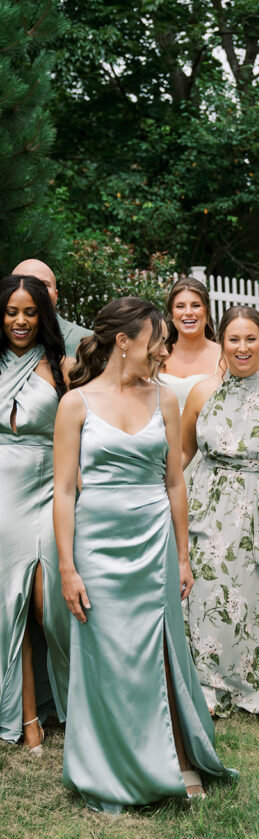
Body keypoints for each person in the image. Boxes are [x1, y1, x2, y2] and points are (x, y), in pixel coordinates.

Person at [53, 297, 235, 811]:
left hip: (154, 536)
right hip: (97, 544)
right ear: (123, 342)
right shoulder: (76, 404)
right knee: (108, 654)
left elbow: (175, 482)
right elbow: (64, 490)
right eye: (156, 340)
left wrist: (182, 555)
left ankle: (178, 756)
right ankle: (110, 765)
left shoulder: (165, 401)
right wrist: (68, 566)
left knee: (162, 649)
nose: (163, 349)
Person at [182, 305, 259, 716]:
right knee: (211, 594)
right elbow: (181, 455)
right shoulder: (201, 393)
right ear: (222, 342)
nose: (242, 347)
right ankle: (210, 680)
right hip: (209, 509)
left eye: (250, 338)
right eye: (233, 339)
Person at [0, 275, 72, 751]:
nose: (20, 321)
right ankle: (27, 720)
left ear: (43, 316)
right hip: (2, 491)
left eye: (29, 312)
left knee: (51, 606)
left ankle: (74, 704)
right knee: (12, 605)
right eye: (11, 312)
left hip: (49, 488)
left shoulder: (61, 365)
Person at [158, 276, 222, 413]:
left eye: (196, 305)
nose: (188, 312)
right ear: (172, 314)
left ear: (206, 311)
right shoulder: (156, 354)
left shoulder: (224, 357)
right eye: (180, 306)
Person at [12, 259, 90, 359]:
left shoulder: (87, 341)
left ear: (56, 296)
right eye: (25, 283)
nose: (35, 291)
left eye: (44, 284)